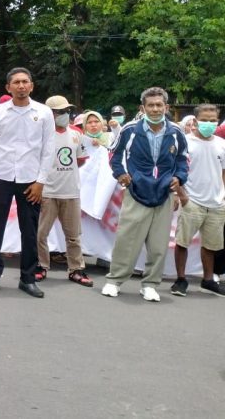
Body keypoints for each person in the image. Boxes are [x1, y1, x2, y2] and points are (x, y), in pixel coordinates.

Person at [102, 87, 189, 302]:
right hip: (137, 191)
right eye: (151, 105)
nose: (155, 109)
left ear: (166, 107)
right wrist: (121, 174)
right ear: (143, 108)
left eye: (159, 105)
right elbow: (114, 154)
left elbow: (183, 159)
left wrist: (180, 177)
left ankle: (150, 284)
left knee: (159, 244)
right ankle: (114, 280)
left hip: (164, 193)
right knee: (127, 240)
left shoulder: (176, 132)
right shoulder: (130, 130)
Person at [0, 67, 55, 298]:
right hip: (0, 176)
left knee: (30, 231)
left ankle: (28, 278)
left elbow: (48, 149)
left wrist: (41, 181)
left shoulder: (43, 113)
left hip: (30, 179)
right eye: (16, 82)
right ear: (8, 87)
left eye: (25, 82)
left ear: (32, 86)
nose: (21, 86)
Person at [35, 95, 92, 287]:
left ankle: (76, 269)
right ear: (50, 114)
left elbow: (81, 159)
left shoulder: (76, 133)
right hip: (47, 191)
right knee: (41, 233)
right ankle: (41, 265)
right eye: (60, 112)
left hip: (70, 191)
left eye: (66, 111)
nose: (64, 115)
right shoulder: (41, 134)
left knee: (74, 235)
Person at [170, 104, 225, 297]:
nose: (209, 123)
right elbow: (174, 170)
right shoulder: (184, 142)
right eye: (205, 119)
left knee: (211, 245)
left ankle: (208, 280)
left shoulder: (221, 143)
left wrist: (223, 194)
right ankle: (181, 279)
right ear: (195, 120)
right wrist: (181, 195)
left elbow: (223, 172)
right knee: (183, 242)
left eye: (213, 120)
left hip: (216, 203)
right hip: (192, 200)